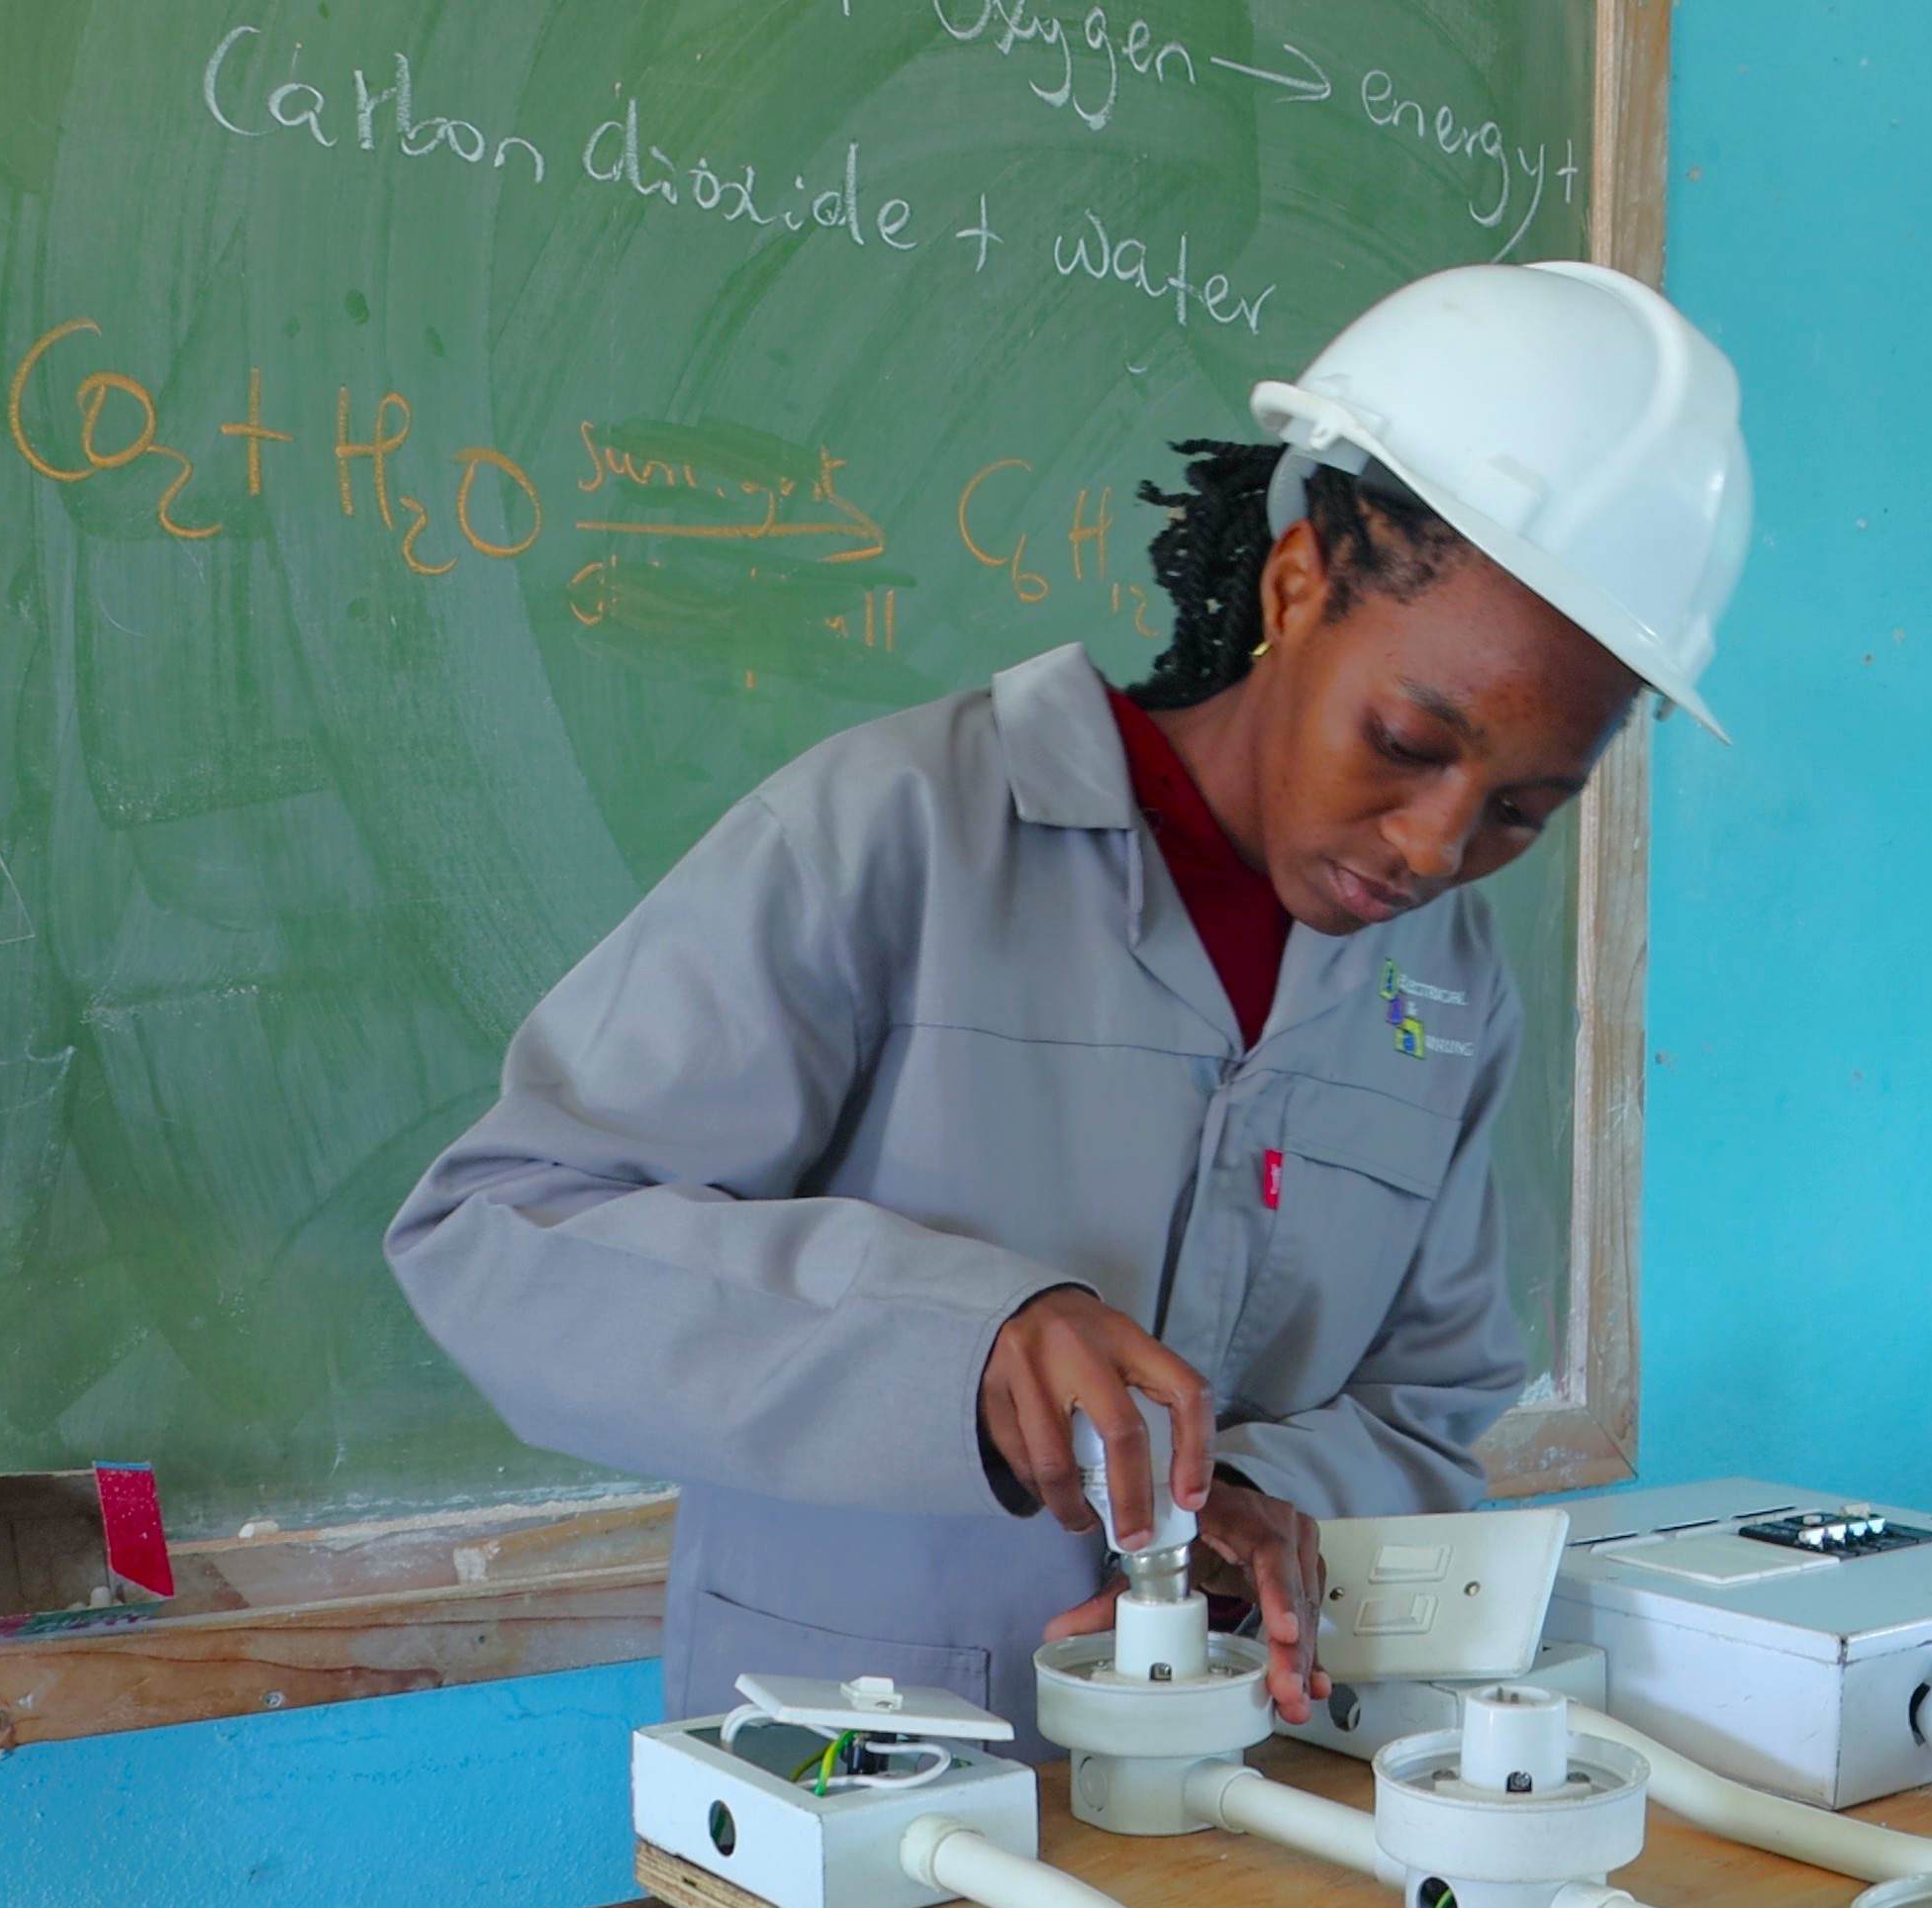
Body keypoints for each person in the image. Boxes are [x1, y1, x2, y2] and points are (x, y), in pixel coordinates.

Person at [383, 262, 1751, 1745]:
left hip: (1239, 1809)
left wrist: (1257, 1509)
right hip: (851, 1789)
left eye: (1523, 809)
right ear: (1295, 586)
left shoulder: (1445, 983)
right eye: (1409, 741)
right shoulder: (900, 831)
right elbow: (498, 1235)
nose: (1435, 846)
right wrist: (966, 1347)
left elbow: (1434, 1400)